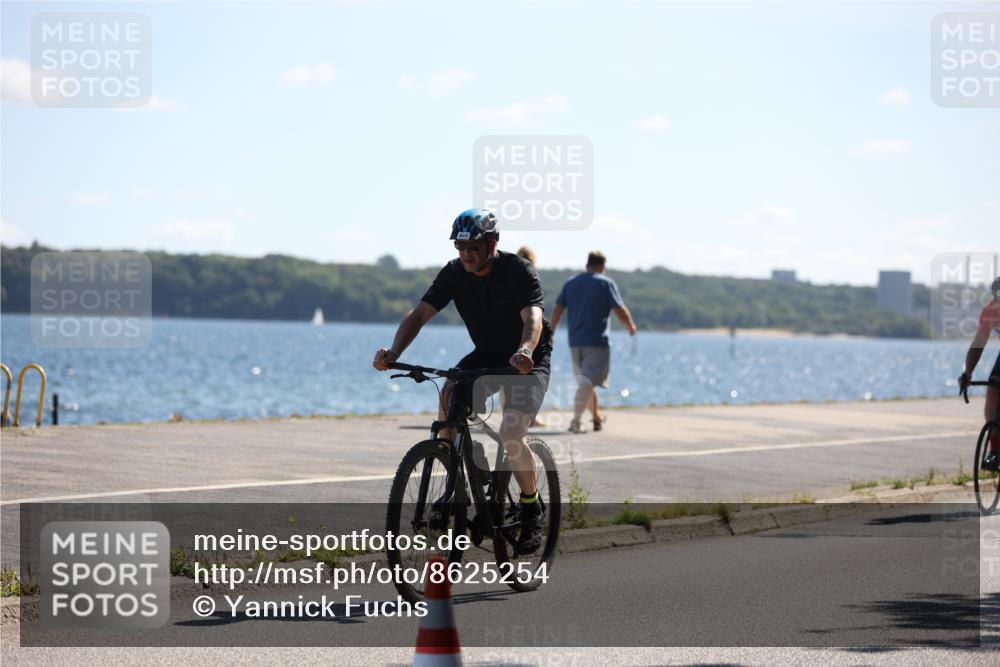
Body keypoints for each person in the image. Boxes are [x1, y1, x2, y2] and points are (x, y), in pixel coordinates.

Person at [373, 209, 553, 554]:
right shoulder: (455, 273)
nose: (466, 253)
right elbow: (421, 313)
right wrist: (393, 351)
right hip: (487, 354)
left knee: (512, 433)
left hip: (528, 358)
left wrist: (525, 349)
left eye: (473, 246)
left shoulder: (519, 271)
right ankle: (462, 480)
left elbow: (533, 317)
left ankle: (531, 508)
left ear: (492, 243)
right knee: (449, 395)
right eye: (460, 246)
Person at [550, 251, 637, 433]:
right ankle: (576, 421)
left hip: (574, 342)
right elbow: (619, 308)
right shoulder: (606, 283)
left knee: (586, 383)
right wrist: (630, 326)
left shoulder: (571, 283)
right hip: (596, 341)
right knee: (587, 383)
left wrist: (551, 332)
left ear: (587, 264)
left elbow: (558, 309)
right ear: (602, 266)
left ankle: (596, 418)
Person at [959, 276, 1000, 471]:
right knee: (993, 389)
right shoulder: (991, 310)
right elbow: (978, 345)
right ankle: (994, 450)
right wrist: (967, 373)